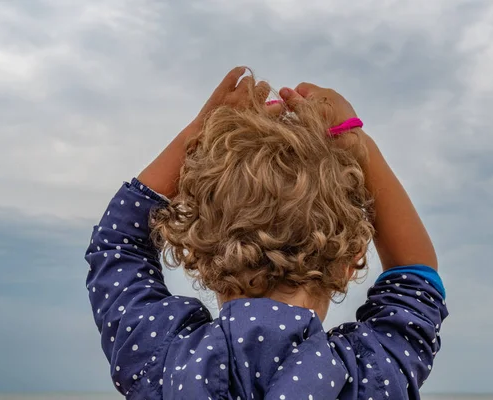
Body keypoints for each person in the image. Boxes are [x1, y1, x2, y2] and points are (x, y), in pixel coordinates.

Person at [84, 66, 448, 400]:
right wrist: (358, 144)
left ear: (198, 254)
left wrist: (197, 136)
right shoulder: (371, 374)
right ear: (351, 261)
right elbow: (414, 275)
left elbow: (117, 244)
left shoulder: (162, 361)